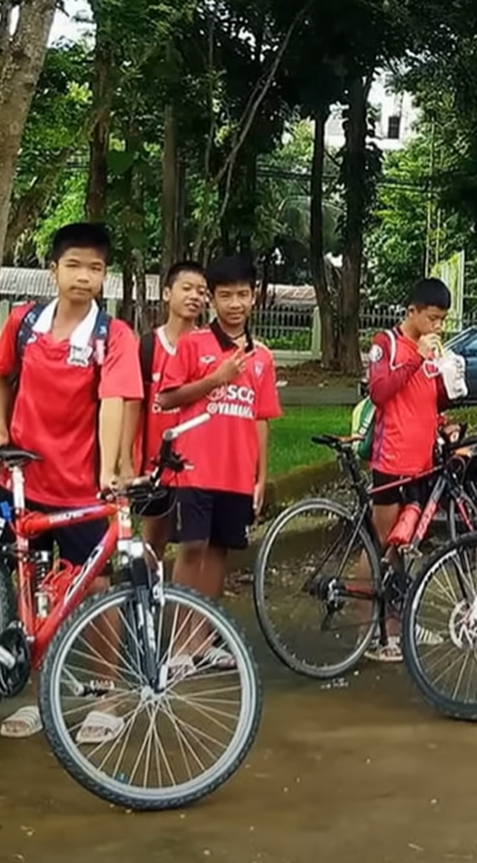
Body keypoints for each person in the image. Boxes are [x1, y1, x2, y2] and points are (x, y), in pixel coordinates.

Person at [0, 222, 144, 740]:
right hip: (22, 480)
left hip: (79, 489)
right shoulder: (24, 322)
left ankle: (108, 694)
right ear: (53, 270)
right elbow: (0, 374)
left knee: (95, 586)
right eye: (73, 265)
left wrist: (110, 471)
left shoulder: (111, 335)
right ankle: (33, 694)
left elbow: (117, 399)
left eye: (95, 268)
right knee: (26, 587)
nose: (84, 277)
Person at [158, 254, 280, 663]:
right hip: (194, 469)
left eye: (242, 295)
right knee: (191, 549)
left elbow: (262, 418)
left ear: (254, 298)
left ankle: (202, 640)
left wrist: (261, 475)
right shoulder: (193, 345)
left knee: (217, 554)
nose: (234, 304)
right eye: (225, 295)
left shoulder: (262, 356)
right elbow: (167, 397)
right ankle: (176, 647)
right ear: (211, 299)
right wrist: (215, 380)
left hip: (236, 474)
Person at [362, 277, 453, 662]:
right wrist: (417, 355)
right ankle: (379, 629)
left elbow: (433, 399)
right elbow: (379, 392)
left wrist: (449, 383)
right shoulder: (388, 343)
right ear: (412, 311)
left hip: (422, 463)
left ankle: (400, 621)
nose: (437, 327)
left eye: (443, 320)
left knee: (407, 545)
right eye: (432, 318)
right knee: (386, 547)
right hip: (390, 461)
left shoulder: (432, 351)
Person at [129, 261, 208, 560]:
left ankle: (186, 604)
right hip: (156, 463)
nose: (194, 296)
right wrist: (128, 459)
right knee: (153, 541)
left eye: (201, 291)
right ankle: (147, 602)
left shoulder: (209, 347)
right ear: (166, 293)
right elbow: (133, 405)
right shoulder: (146, 346)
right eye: (186, 288)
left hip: (198, 464)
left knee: (195, 543)